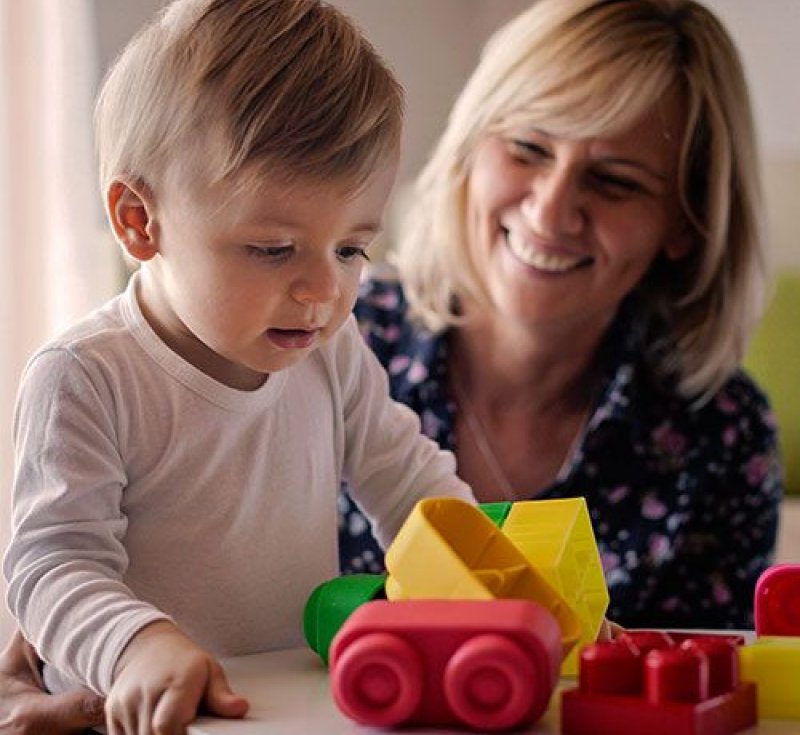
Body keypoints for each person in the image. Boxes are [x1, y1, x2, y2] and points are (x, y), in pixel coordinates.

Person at [0, 0, 476, 733]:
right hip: (141, 714)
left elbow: (411, 483)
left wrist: (507, 591)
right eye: (273, 249)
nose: (324, 290)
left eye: (351, 249)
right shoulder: (86, 376)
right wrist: (137, 645)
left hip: (293, 708)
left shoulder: (331, 351)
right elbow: (52, 566)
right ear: (139, 220)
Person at [340, 0, 782, 631]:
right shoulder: (329, 339)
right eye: (527, 148)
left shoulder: (723, 437)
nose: (550, 214)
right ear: (470, 147)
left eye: (615, 182)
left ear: (685, 223)